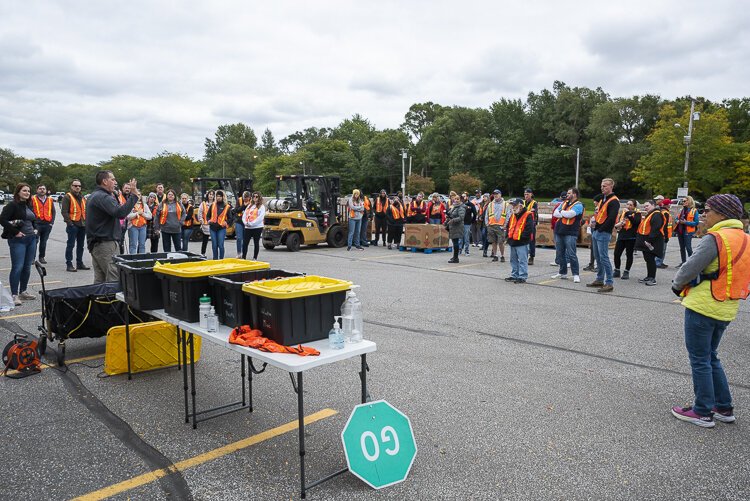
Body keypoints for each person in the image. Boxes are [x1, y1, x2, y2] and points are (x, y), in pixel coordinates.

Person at [670, 194, 750, 428]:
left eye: (709, 210)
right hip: (727, 306)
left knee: (700, 359)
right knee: (711, 356)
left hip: (704, 305)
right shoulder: (745, 239)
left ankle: (702, 410)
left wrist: (676, 285)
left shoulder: (715, 238)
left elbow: (689, 268)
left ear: (723, 214)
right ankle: (723, 406)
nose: (704, 214)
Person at [86, 172, 139, 283]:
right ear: (105, 181)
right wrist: (134, 195)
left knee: (100, 281)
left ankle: (98, 300)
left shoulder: (96, 195)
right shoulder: (102, 197)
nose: (115, 182)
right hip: (105, 244)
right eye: (113, 179)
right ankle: (112, 300)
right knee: (113, 279)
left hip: (99, 244)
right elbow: (120, 212)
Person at [0, 183, 38, 306]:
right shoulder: (12, 205)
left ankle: (23, 291)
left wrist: (35, 228)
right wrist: (16, 232)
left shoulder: (28, 205)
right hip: (18, 240)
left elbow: (33, 220)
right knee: (18, 267)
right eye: (24, 190)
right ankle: (14, 295)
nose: (27, 193)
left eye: (28, 191)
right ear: (18, 192)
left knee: (27, 267)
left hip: (31, 239)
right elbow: (2, 219)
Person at [587, 178, 619, 293]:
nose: (602, 188)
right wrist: (593, 222)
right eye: (602, 186)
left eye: (605, 186)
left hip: (603, 232)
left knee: (604, 257)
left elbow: (611, 219)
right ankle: (600, 279)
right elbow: (598, 214)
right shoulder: (603, 199)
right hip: (597, 230)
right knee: (598, 256)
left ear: (611, 187)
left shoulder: (614, 201)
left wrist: (600, 229)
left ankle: (609, 282)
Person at [551, 187, 585, 283]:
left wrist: (562, 212)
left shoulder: (579, 205)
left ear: (574, 194)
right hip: (559, 230)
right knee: (560, 253)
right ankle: (563, 272)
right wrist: (563, 213)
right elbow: (555, 213)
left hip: (570, 232)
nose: (567, 195)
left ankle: (576, 274)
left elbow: (570, 214)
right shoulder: (564, 203)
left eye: (569, 193)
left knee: (571, 254)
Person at [61, 179, 90, 273]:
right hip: (73, 225)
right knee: (70, 245)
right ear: (71, 186)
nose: (77, 187)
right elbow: (64, 212)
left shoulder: (82, 197)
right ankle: (69, 264)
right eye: (75, 185)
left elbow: (85, 211)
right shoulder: (67, 197)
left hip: (82, 225)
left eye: (79, 186)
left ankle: (79, 263)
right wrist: (70, 223)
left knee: (80, 246)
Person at [634, 199, 664, 286]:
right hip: (647, 241)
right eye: (644, 206)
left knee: (651, 260)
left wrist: (649, 241)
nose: (645, 207)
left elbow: (655, 228)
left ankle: (652, 278)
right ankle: (649, 276)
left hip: (652, 241)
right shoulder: (651, 214)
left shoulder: (657, 214)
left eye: (647, 206)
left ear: (653, 205)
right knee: (648, 259)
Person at [505, 198, 535, 284]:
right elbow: (508, 226)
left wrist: (521, 237)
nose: (513, 207)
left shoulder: (528, 215)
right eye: (513, 205)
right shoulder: (513, 215)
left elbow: (529, 229)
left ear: (521, 206)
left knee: (522, 260)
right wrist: (508, 236)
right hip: (513, 241)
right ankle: (514, 275)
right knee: (513, 260)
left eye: (515, 205)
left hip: (522, 242)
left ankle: (522, 276)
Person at [612, 199, 641, 281]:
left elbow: (636, 222)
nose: (628, 206)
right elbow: (619, 223)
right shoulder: (623, 213)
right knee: (617, 253)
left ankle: (626, 271)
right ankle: (617, 270)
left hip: (631, 237)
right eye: (627, 204)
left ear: (634, 206)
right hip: (622, 235)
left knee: (629, 254)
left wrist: (629, 214)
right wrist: (618, 225)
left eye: (630, 205)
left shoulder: (637, 213)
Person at [30, 184, 55, 264]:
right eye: (40, 189)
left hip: (47, 224)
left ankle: (42, 257)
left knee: (43, 242)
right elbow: (30, 211)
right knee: (34, 241)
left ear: (46, 190)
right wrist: (32, 224)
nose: (42, 190)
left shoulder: (50, 200)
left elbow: (53, 211)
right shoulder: (32, 199)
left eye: (43, 189)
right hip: (36, 224)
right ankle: (32, 258)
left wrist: (51, 223)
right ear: (37, 190)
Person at [206, 190, 233, 259]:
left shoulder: (226, 206)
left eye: (220, 196)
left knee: (220, 245)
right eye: (217, 196)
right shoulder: (212, 205)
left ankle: (221, 259)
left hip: (221, 228)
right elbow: (208, 215)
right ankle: (215, 259)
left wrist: (226, 222)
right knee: (214, 245)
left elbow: (231, 218)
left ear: (222, 197)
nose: (218, 197)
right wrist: (208, 220)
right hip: (213, 227)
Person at [675, 196, 700, 268]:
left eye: (685, 201)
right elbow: (677, 218)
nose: (683, 202)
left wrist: (686, 223)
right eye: (682, 201)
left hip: (688, 232)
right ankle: (683, 262)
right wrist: (677, 221)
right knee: (682, 248)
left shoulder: (694, 210)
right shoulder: (681, 210)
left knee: (688, 247)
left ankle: (692, 263)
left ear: (689, 201)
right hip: (680, 231)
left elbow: (696, 223)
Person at [242, 192, 265, 260]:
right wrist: (245, 222)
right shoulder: (249, 206)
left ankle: (255, 258)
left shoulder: (261, 206)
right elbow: (244, 215)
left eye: (256, 196)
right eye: (254, 196)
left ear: (259, 197)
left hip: (257, 227)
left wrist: (252, 223)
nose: (255, 198)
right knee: (245, 242)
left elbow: (260, 218)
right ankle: (244, 257)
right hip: (248, 226)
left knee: (256, 242)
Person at [485, 190, 507, 262]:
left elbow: (508, 215)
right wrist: (487, 223)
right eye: (494, 194)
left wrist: (505, 225)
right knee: (493, 242)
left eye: (497, 194)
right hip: (491, 225)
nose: (495, 195)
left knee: (501, 242)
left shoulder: (506, 204)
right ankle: (495, 255)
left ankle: (502, 256)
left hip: (501, 226)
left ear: (500, 194)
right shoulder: (490, 204)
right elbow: (487, 215)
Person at [583, 193, 603, 272]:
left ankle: (599, 266)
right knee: (593, 248)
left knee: (598, 249)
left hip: (598, 229)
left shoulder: (601, 208)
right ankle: (591, 264)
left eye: (595, 201)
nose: (594, 202)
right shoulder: (596, 208)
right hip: (593, 228)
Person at [446, 194, 466, 264]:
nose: (456, 200)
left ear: (461, 200)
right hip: (453, 226)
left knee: (455, 242)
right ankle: (454, 256)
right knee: (454, 242)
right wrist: (448, 214)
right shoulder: (454, 206)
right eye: (455, 199)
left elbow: (461, 218)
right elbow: (452, 214)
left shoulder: (461, 207)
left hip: (458, 226)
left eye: (458, 199)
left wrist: (453, 220)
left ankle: (456, 258)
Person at [549, 191, 568, 266]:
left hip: (559, 227)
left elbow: (554, 217)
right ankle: (559, 260)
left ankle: (560, 260)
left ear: (560, 197)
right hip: (561, 227)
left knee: (560, 245)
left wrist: (553, 227)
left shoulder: (559, 205)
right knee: (561, 245)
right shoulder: (566, 205)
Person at [523, 188, 538, 265]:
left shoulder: (534, 203)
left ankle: (531, 257)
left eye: (527, 194)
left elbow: (532, 212)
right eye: (525, 194)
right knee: (524, 241)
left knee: (531, 241)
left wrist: (524, 211)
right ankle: (524, 256)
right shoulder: (523, 202)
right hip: (523, 224)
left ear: (531, 194)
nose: (526, 196)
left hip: (531, 224)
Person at [656, 198, 673, 268]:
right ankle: (658, 262)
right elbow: (665, 226)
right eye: (670, 204)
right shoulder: (665, 213)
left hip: (662, 234)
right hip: (663, 234)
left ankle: (660, 262)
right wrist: (666, 236)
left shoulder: (662, 211)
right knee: (662, 249)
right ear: (668, 205)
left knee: (661, 249)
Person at [197, 190, 214, 257]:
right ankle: (203, 253)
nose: (211, 196)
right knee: (205, 240)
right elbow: (200, 213)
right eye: (210, 194)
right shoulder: (203, 204)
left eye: (212, 194)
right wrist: (201, 221)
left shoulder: (215, 204)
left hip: (214, 225)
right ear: (207, 195)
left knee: (215, 241)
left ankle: (215, 254)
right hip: (205, 225)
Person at [233, 191, 247, 258]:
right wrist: (244, 206)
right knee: (239, 238)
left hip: (247, 222)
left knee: (245, 239)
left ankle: (244, 253)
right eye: (244, 198)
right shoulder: (239, 200)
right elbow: (236, 210)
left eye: (247, 198)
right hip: (239, 221)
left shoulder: (251, 201)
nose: (246, 199)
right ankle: (239, 253)